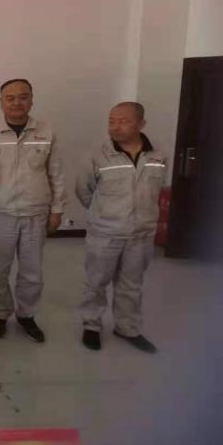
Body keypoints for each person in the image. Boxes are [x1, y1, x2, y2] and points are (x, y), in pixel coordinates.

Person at [0, 79, 66, 343]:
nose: (16, 103)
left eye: (23, 97)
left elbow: (56, 173)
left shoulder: (46, 132)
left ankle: (26, 315)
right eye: (10, 98)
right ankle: (0, 313)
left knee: (32, 272)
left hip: (36, 212)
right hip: (0, 214)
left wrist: (57, 209)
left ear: (31, 100)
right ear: (1, 102)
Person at [76, 102, 165, 353]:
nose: (115, 127)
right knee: (96, 281)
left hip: (142, 233)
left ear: (141, 124)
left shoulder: (158, 154)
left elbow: (159, 189)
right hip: (105, 232)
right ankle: (91, 325)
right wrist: (103, 213)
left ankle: (127, 328)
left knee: (131, 284)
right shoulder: (98, 155)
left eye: (123, 121)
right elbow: (83, 190)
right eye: (111, 121)